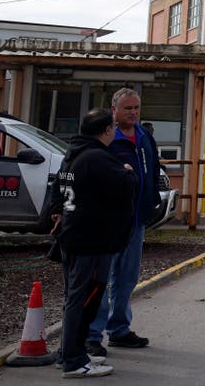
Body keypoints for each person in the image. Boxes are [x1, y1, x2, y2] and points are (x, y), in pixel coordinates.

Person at [53, 109, 136, 378]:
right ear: (106, 130)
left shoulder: (72, 154)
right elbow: (125, 185)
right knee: (84, 298)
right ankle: (74, 360)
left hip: (72, 235)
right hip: (90, 240)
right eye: (113, 128)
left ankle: (70, 353)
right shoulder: (97, 157)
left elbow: (59, 187)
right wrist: (127, 171)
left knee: (74, 297)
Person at [87, 89, 160, 357]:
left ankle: (119, 328)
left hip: (136, 218)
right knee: (100, 277)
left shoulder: (144, 137)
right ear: (114, 109)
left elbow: (153, 170)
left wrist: (152, 201)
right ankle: (92, 334)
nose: (133, 112)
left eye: (137, 108)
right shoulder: (105, 138)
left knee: (127, 277)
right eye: (127, 108)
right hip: (108, 220)